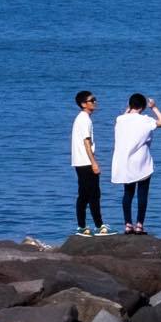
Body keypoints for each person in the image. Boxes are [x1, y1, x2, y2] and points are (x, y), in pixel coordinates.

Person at [110, 93, 161, 235]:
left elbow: (123, 117)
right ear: (143, 107)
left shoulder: (120, 119)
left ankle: (128, 224)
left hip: (125, 163)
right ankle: (139, 225)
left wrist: (128, 109)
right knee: (142, 194)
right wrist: (154, 107)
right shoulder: (146, 120)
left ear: (130, 106)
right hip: (142, 162)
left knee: (127, 194)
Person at [71, 90, 112, 236]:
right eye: (92, 100)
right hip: (85, 162)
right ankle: (98, 226)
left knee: (84, 194)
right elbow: (86, 142)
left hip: (81, 161)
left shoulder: (82, 118)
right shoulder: (84, 119)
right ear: (83, 104)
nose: (95, 102)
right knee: (93, 194)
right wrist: (94, 163)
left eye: (94, 99)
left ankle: (82, 226)